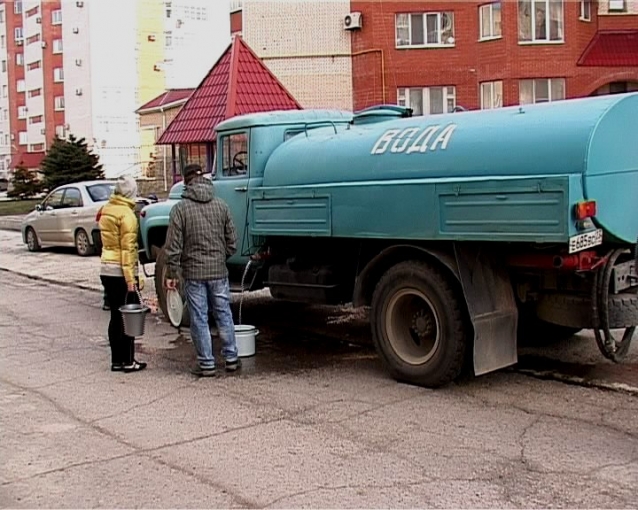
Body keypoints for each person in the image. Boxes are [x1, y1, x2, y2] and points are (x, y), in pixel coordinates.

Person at [164, 163, 240, 377]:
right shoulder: (221, 205)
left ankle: (207, 363)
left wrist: (172, 274)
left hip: (194, 274)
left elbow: (173, 247)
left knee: (199, 317)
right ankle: (231, 357)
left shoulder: (180, 209)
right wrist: (219, 258)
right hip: (219, 271)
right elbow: (232, 242)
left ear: (186, 183)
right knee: (224, 313)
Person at [99, 175, 147, 373]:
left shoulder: (107, 209)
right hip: (121, 272)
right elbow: (127, 251)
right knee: (128, 317)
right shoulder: (127, 215)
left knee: (114, 316)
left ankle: (116, 360)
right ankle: (128, 361)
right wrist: (130, 280)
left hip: (106, 269)